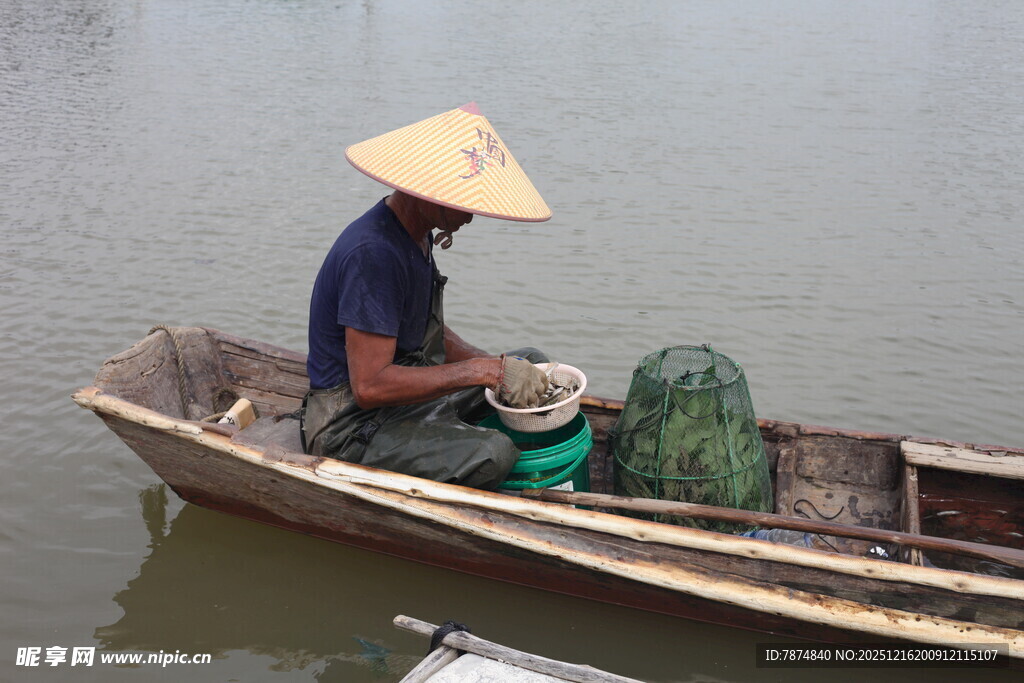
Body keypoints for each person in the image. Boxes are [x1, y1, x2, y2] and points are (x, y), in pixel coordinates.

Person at [301, 102, 553, 490]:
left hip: (404, 396)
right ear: (425, 192)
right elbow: (369, 388)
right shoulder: (375, 254)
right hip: (352, 425)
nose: (471, 215)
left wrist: (498, 365)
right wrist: (484, 372)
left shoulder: (415, 234)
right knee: (495, 453)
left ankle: (445, 431)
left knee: (533, 362)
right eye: (461, 202)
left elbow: (426, 328)